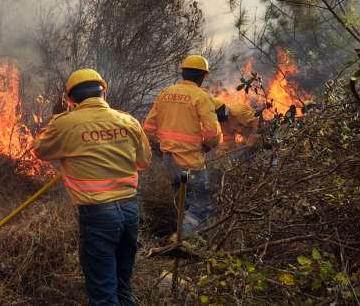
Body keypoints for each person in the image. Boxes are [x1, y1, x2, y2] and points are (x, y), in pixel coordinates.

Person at [33, 68, 151, 306]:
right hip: (130, 211)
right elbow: (143, 162)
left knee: (103, 293)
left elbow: (40, 151)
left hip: (98, 216)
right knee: (122, 286)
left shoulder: (65, 124)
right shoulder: (128, 121)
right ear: (103, 94)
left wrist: (59, 123)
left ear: (71, 100)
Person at [142, 55, 222, 238]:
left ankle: (189, 240)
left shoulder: (165, 93)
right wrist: (209, 145)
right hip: (190, 161)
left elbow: (149, 126)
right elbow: (212, 134)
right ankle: (179, 240)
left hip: (169, 160)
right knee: (203, 205)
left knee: (185, 203)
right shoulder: (201, 96)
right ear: (203, 76)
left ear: (183, 73)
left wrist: (164, 145)